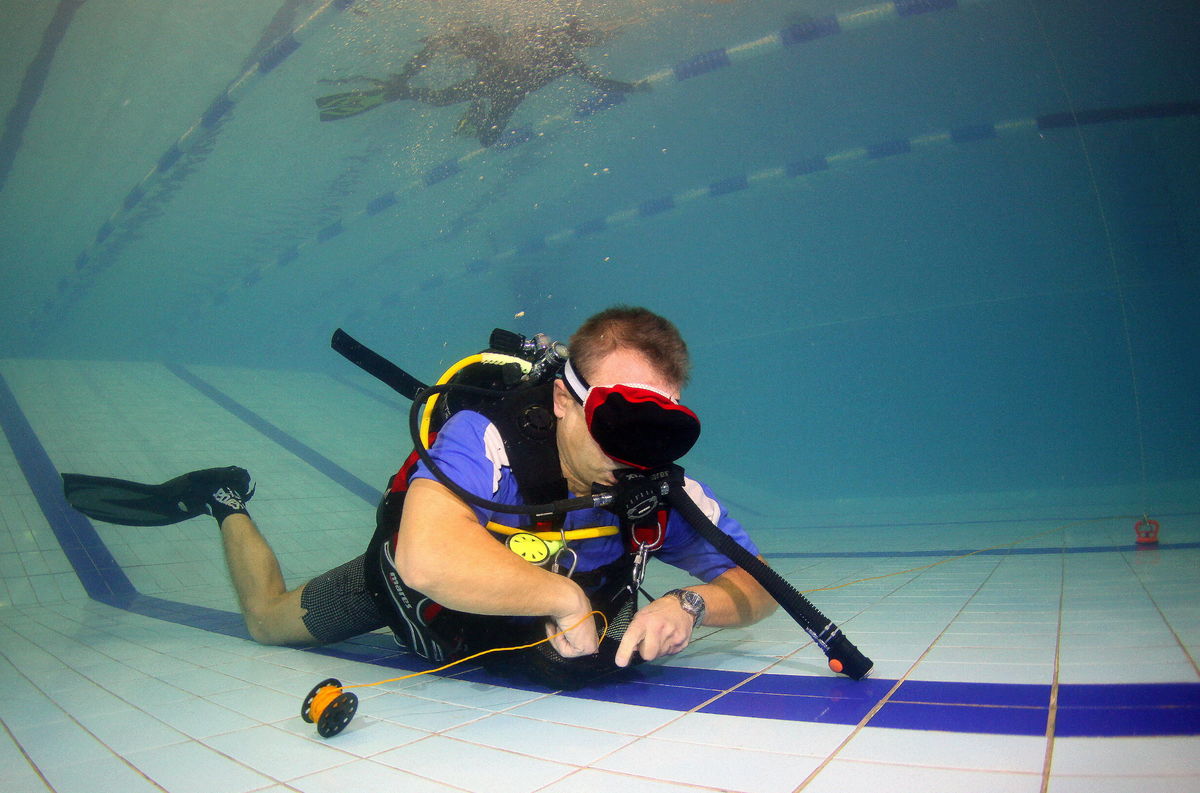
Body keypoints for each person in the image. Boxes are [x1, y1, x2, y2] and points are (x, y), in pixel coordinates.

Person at [63, 307, 776, 687]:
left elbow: (760, 583)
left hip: (507, 635)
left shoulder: (649, 488)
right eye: (617, 422)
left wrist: (689, 604)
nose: (635, 454)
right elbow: (427, 556)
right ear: (563, 399)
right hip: (411, 599)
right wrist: (562, 599)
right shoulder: (487, 437)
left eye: (661, 430)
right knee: (265, 620)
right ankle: (225, 497)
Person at [316, 16, 647, 146]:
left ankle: (473, 113)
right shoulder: (538, 36)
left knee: (488, 141)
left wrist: (633, 87)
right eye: (582, 36)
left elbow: (598, 81)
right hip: (492, 81)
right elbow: (492, 46)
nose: (581, 41)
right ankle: (399, 91)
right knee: (443, 97)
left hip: (511, 94)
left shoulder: (567, 57)